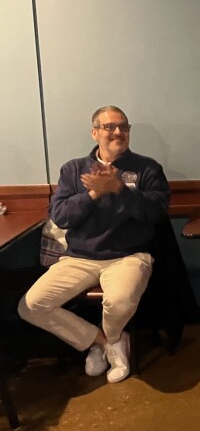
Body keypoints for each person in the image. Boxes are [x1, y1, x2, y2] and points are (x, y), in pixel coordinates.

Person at [19, 106, 170, 383]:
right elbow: (61, 217)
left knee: (121, 301)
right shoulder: (74, 169)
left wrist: (119, 190)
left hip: (128, 256)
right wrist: (92, 194)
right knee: (31, 306)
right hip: (79, 258)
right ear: (94, 132)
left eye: (123, 127)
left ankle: (112, 339)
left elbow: (156, 213)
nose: (117, 132)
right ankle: (103, 342)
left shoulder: (147, 168)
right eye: (109, 127)